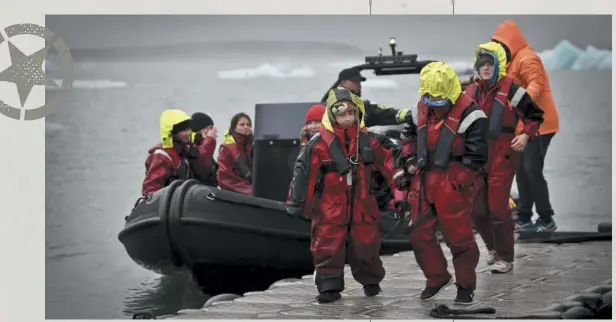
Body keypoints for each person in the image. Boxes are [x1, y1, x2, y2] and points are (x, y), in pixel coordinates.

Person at [286, 87, 409, 304]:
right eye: (342, 114)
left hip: (363, 202)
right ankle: (329, 286)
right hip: (329, 205)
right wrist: (299, 206)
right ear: (333, 115)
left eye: (351, 113)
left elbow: (391, 160)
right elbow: (305, 175)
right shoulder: (318, 145)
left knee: (366, 244)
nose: (347, 118)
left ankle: (371, 280)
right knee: (327, 244)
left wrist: (400, 190)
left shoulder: (370, 140)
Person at [397, 62, 489, 305]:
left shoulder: (472, 115)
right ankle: (436, 277)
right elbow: (407, 137)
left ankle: (466, 286)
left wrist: (461, 180)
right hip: (424, 178)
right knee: (418, 232)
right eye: (429, 96)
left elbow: (478, 154)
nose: (433, 101)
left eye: (438, 97)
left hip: (453, 179)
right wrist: (408, 162)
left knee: (459, 237)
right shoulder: (418, 111)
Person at [465, 42, 545, 274]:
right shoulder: (470, 92)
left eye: (490, 64)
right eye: (482, 65)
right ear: (477, 68)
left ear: (497, 66)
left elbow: (535, 116)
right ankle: (492, 248)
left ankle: (506, 258)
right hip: (478, 157)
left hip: (503, 154)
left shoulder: (511, 89)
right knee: (476, 210)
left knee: (498, 208)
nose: (486, 68)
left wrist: (525, 137)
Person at [491, 20, 560, 232]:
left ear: (508, 43)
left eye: (500, 45)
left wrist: (520, 101)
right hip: (523, 126)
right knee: (521, 171)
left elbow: (536, 84)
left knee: (532, 169)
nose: (499, 49)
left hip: (541, 124)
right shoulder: (511, 62)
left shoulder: (527, 58)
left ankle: (547, 219)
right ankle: (523, 217)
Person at [142, 109, 194, 197]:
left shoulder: (183, 153)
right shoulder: (161, 156)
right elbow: (150, 189)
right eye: (184, 130)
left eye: (189, 129)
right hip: (168, 206)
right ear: (172, 133)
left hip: (181, 204)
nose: (189, 133)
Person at [337, 68, 414, 127]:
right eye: (355, 82)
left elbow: (384, 113)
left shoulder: (364, 108)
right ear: (342, 83)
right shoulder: (329, 108)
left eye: (359, 82)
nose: (359, 85)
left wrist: (408, 114)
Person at [216, 112, 254, 195]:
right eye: (242, 124)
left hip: (251, 189)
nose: (246, 127)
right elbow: (225, 178)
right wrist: (251, 190)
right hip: (235, 194)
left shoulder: (252, 146)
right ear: (234, 128)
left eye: (248, 124)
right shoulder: (226, 149)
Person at [189, 112, 219, 187]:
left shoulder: (205, 146)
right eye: (210, 129)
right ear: (200, 131)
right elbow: (202, 169)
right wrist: (209, 140)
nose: (213, 132)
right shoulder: (191, 147)